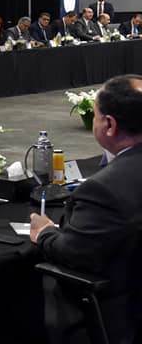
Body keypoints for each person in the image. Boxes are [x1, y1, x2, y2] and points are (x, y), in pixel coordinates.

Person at [30, 75, 142, 344]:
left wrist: (45, 233)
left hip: (122, 315)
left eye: (95, 115)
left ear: (109, 125)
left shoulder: (105, 190)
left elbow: (74, 253)